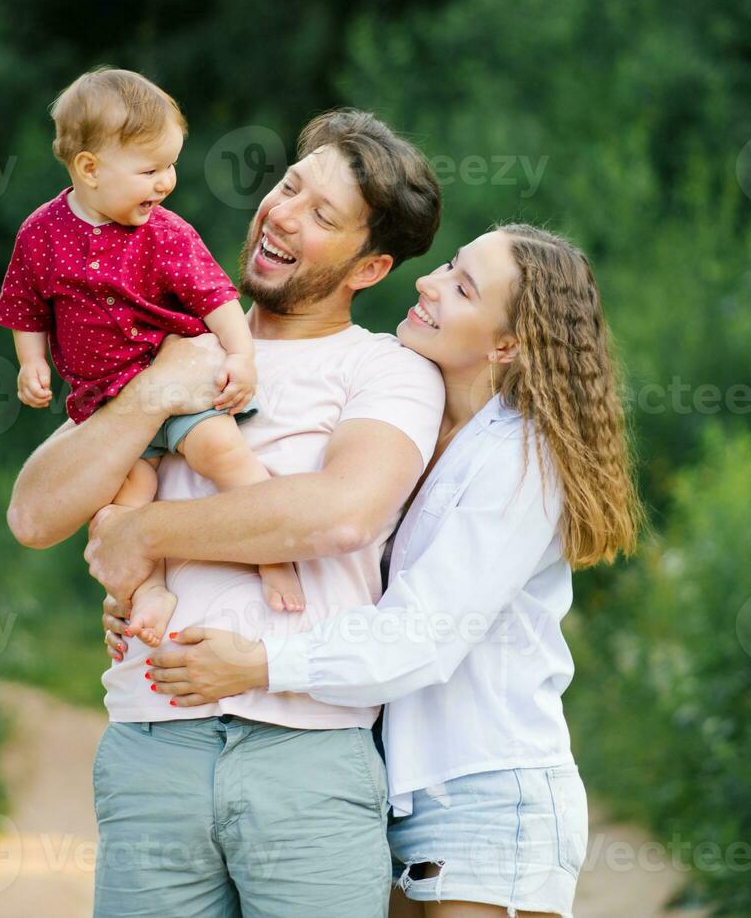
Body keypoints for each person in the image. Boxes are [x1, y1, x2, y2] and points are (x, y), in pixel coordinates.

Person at [120, 224, 644, 917]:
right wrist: (157, 587)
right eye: (450, 266)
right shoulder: (420, 429)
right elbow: (331, 568)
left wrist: (258, 664)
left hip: (487, 796)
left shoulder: (521, 459)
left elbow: (419, 634)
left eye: (462, 288)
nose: (429, 283)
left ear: (507, 346)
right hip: (399, 787)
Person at [7, 108, 446, 916]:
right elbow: (34, 514)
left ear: (371, 266)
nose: (282, 214)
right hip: (152, 749)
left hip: (306, 759)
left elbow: (339, 514)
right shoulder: (164, 341)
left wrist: (142, 531)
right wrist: (157, 389)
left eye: (322, 216)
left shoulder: (387, 373)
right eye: (289, 186)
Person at [0, 66, 301, 648]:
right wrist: (30, 362)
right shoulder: (40, 234)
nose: (166, 183)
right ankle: (147, 594)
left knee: (220, 451)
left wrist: (242, 357)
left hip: (179, 389)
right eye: (150, 170)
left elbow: (217, 298)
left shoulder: (164, 233)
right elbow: (25, 305)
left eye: (171, 167)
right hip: (104, 406)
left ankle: (270, 551)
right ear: (90, 169)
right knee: (116, 511)